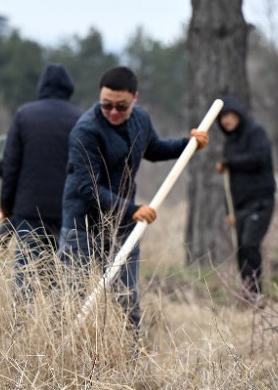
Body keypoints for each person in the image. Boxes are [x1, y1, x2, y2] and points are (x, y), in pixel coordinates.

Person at [58, 66, 208, 329]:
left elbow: (153, 149)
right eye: (107, 106)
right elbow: (88, 189)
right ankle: (66, 351)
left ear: (134, 98)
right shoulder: (85, 131)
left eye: (121, 106)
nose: (114, 112)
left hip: (123, 225)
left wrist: (189, 144)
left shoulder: (141, 119)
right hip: (82, 227)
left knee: (125, 298)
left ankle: (129, 355)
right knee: (74, 297)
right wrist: (132, 209)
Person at [0, 63, 83, 285]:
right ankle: (57, 320)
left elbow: (10, 166)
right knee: (62, 279)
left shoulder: (24, 115)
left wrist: (7, 207)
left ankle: (22, 320)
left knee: (26, 278)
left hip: (30, 212)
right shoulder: (80, 118)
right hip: (68, 213)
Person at [215, 96, 276, 300]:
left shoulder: (255, 133)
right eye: (222, 118)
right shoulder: (229, 143)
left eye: (229, 116)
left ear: (238, 115)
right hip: (238, 205)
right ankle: (248, 293)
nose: (226, 121)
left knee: (250, 245)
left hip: (260, 201)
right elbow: (227, 182)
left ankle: (257, 293)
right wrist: (227, 210)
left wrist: (230, 162)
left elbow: (259, 158)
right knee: (241, 249)